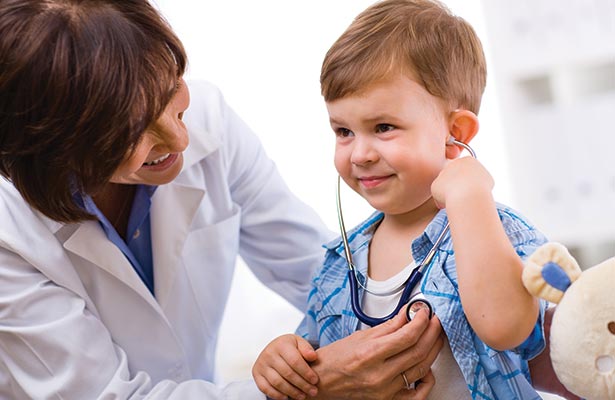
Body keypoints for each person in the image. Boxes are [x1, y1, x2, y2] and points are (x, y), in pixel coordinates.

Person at [0, 0, 446, 399]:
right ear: (57, 148)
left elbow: (323, 276)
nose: (179, 137)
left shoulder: (209, 122)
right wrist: (311, 386)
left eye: (171, 92)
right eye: (131, 131)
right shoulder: (10, 229)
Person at [252, 1, 558, 399]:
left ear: (455, 132)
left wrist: (468, 197)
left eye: (383, 127)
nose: (359, 153)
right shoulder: (338, 262)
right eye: (343, 131)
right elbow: (315, 363)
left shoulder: (496, 229)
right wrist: (280, 359)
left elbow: (506, 327)